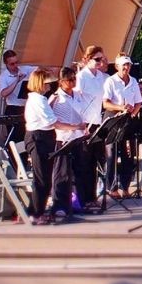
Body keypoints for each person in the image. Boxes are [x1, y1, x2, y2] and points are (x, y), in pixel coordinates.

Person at [24, 68, 78, 224]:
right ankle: (35, 213)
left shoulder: (40, 99)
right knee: (42, 179)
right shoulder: (37, 100)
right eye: (47, 83)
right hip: (38, 137)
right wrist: (75, 127)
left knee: (45, 177)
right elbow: (54, 122)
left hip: (45, 137)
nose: (49, 85)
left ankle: (38, 210)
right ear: (40, 83)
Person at [49, 66, 96, 214]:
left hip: (79, 137)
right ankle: (60, 204)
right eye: (70, 80)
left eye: (74, 78)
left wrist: (84, 126)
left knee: (81, 170)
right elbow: (53, 121)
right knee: (62, 173)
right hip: (64, 138)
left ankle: (81, 202)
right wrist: (74, 126)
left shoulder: (78, 94)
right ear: (61, 82)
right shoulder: (56, 98)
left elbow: (83, 111)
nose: (73, 82)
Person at [102, 54, 142, 198]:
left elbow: (138, 102)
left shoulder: (133, 81)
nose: (126, 68)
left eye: (128, 65)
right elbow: (106, 103)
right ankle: (111, 187)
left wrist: (132, 113)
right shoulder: (110, 81)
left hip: (127, 120)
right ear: (117, 66)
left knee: (128, 154)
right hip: (113, 120)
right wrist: (121, 107)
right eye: (124, 65)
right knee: (111, 153)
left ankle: (125, 186)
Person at [74, 45, 109, 206]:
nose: (100, 62)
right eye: (96, 59)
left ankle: (93, 197)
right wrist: (81, 124)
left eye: (101, 59)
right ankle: (84, 198)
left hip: (97, 122)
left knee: (96, 160)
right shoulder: (81, 77)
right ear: (87, 59)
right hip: (85, 122)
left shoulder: (102, 77)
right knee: (85, 162)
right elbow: (77, 99)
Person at [0, 49, 28, 143]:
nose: (15, 66)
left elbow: (40, 71)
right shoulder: (3, 77)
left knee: (26, 137)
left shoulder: (25, 69)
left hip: (26, 108)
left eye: (16, 62)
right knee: (16, 138)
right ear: (6, 64)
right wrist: (17, 81)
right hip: (13, 108)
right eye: (12, 64)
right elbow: (3, 93)